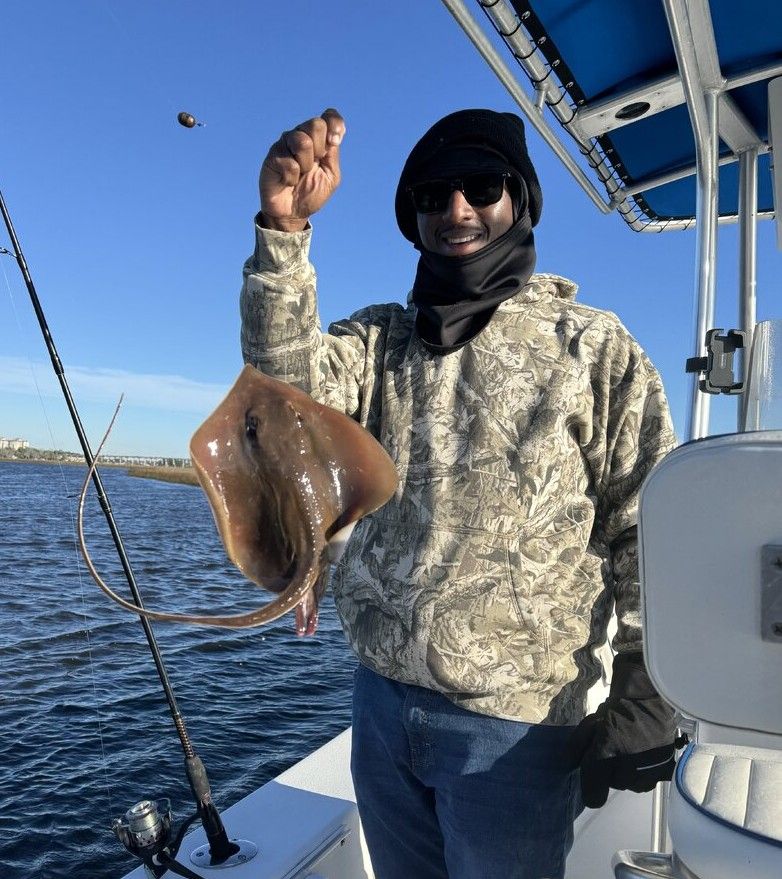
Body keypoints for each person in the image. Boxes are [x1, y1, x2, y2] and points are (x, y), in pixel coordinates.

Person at [240, 107, 680, 879]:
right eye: (433, 195)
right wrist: (283, 233)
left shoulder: (593, 346)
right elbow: (285, 393)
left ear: (522, 201)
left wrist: (646, 695)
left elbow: (647, 528)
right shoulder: (381, 341)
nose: (457, 210)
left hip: (517, 731)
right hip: (380, 707)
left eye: (483, 187)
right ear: (413, 218)